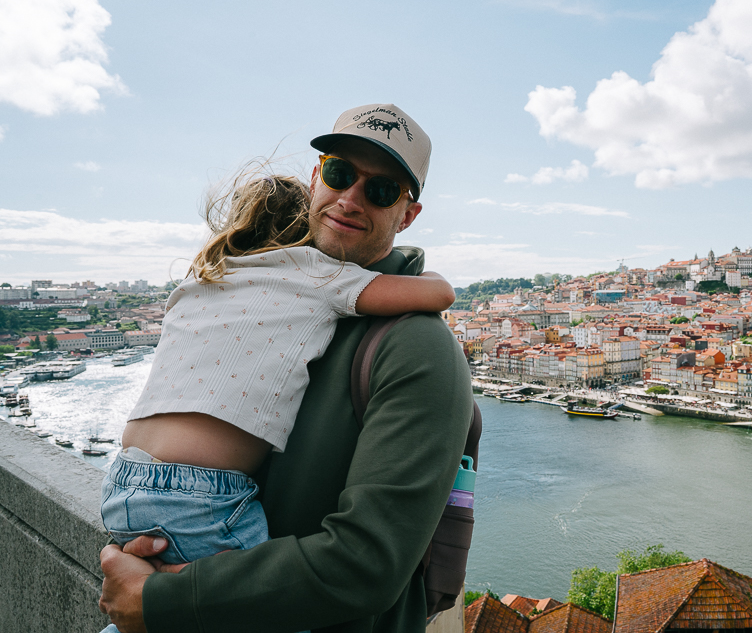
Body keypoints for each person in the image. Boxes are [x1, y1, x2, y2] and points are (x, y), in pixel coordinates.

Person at [98, 104, 476, 633]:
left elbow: (365, 562)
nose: (350, 198)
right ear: (317, 176)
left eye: (381, 190)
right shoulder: (278, 300)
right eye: (341, 174)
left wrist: (164, 597)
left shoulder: (416, 345)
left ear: (407, 214)